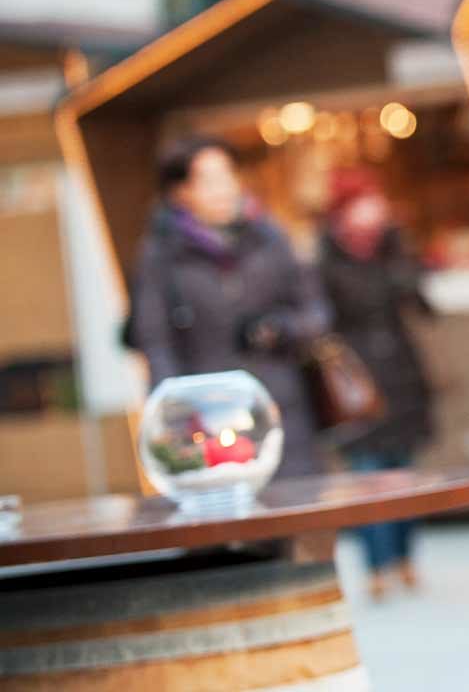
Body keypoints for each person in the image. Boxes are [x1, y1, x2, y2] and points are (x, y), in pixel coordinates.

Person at [129, 135, 329, 475]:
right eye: (207, 181)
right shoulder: (161, 256)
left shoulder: (269, 237)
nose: (223, 189)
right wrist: (174, 415)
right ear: (181, 192)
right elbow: (155, 340)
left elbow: (316, 313)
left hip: (281, 408)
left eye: (227, 176)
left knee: (297, 509)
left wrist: (279, 328)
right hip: (208, 416)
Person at [319, 169, 437, 599]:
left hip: (402, 376)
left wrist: (398, 252)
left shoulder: (393, 248)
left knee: (404, 474)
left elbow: (422, 302)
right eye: (365, 203)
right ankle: (376, 566)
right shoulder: (326, 258)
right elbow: (322, 321)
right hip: (356, 383)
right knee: (367, 477)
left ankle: (405, 557)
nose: (375, 211)